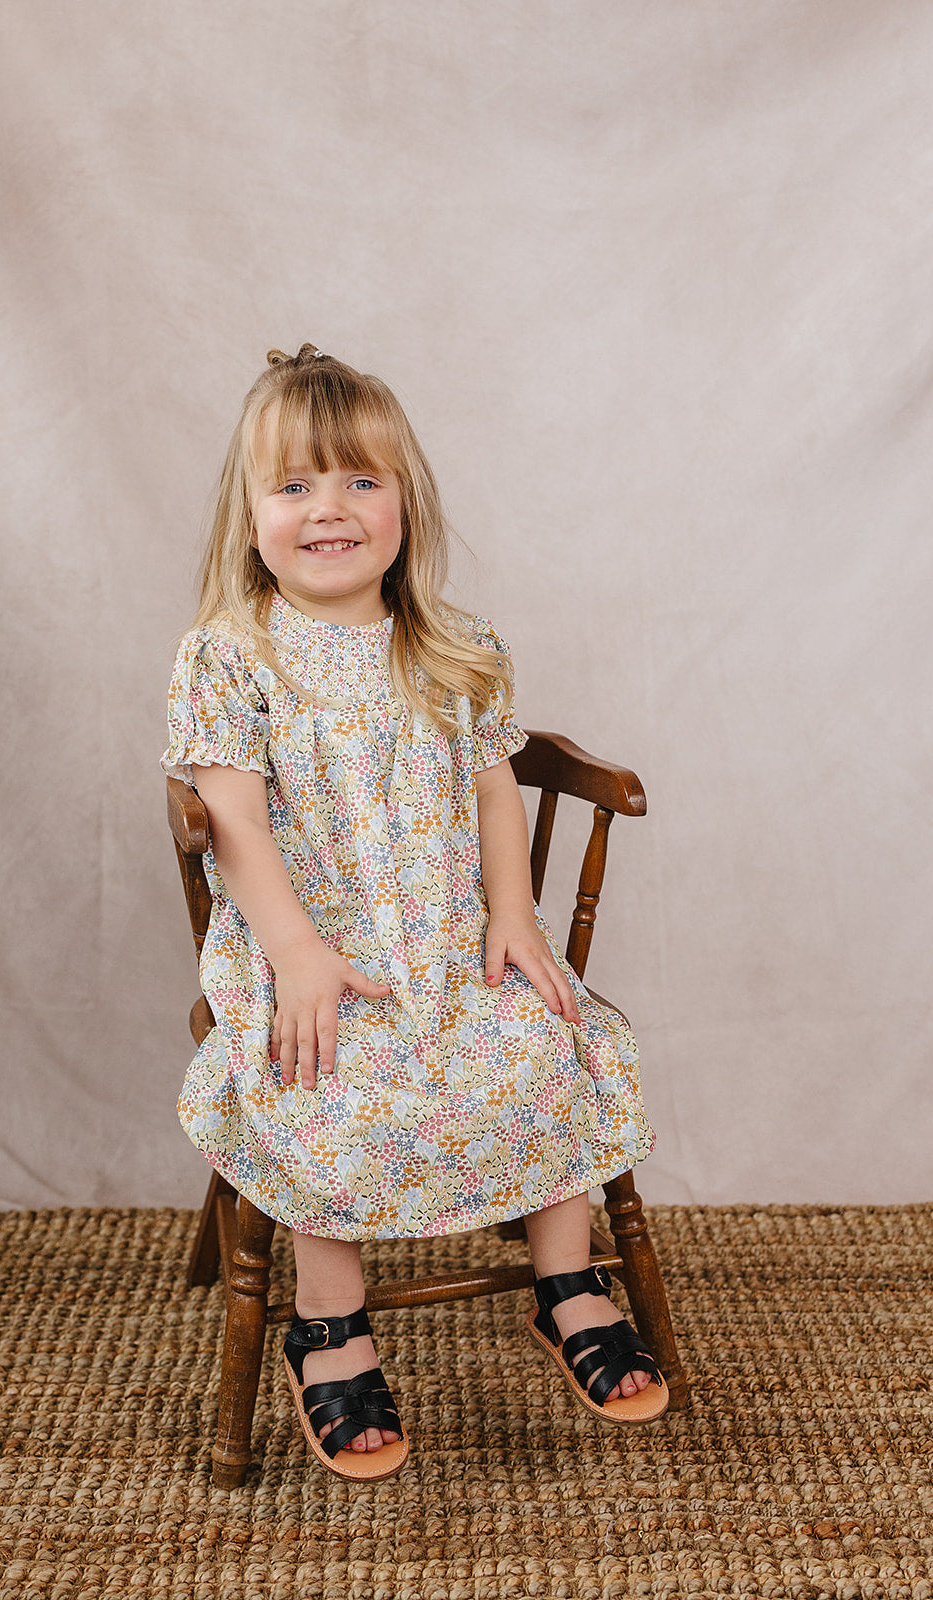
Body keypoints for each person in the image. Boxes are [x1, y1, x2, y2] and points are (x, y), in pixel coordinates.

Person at [161, 344, 667, 1482]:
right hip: (308, 943)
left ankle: (566, 1281)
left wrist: (513, 913)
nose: (328, 509)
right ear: (250, 517)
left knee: (544, 1041)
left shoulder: (453, 647)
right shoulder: (230, 656)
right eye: (294, 485)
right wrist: (296, 952)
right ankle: (327, 1320)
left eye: (360, 481)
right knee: (323, 1080)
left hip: (444, 936)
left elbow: (492, 788)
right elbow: (231, 818)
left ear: (405, 504)